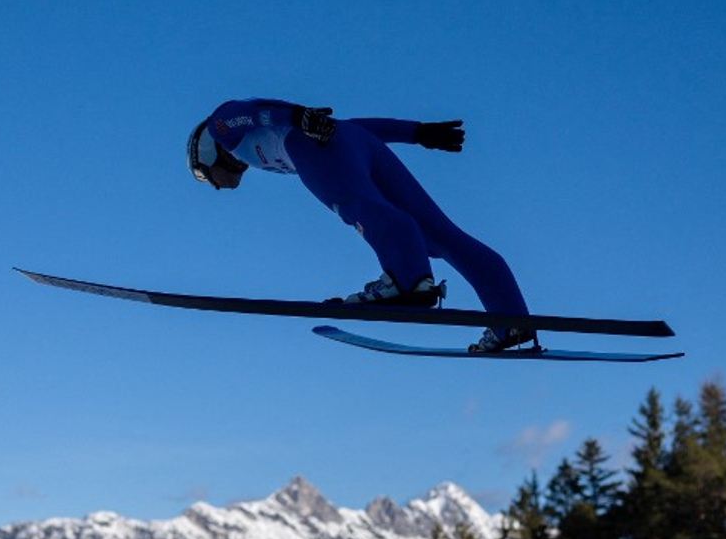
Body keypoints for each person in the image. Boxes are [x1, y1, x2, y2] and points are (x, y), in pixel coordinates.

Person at [186, 98, 534, 352]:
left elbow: (245, 112)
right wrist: (417, 132)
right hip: (355, 142)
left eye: (203, 175)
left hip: (316, 148)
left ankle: (408, 282)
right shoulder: (255, 144)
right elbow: (354, 128)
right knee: (443, 236)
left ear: (204, 152)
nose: (213, 184)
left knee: (361, 207)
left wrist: (298, 116)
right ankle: (512, 321)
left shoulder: (221, 130)